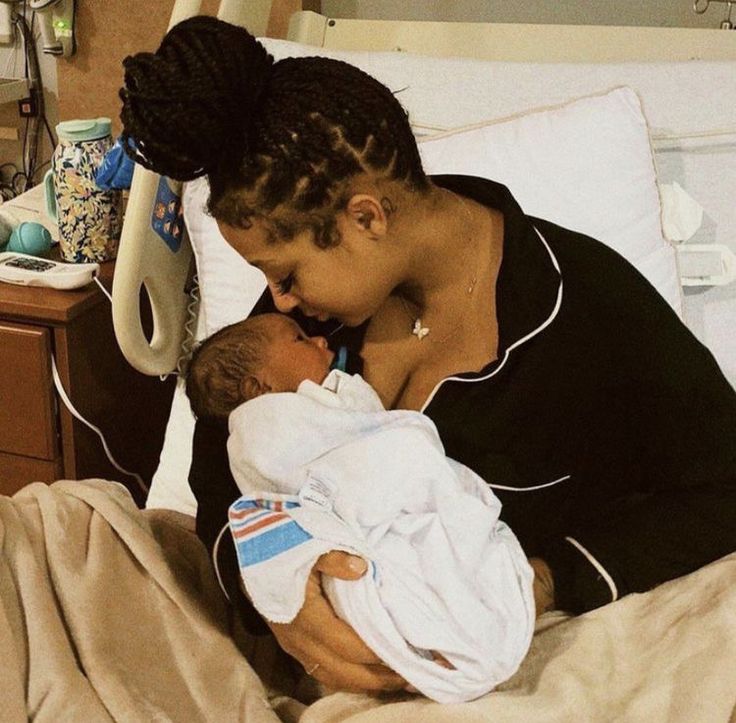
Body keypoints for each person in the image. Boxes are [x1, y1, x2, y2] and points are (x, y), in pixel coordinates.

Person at [120, 16, 736, 694]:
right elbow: (219, 458)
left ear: (365, 219)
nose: (280, 302)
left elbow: (724, 485)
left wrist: (545, 577)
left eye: (287, 274)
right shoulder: (304, 331)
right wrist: (279, 591)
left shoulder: (587, 306)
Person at [184, 312, 536, 702]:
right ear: (258, 387)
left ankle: (463, 636)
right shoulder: (263, 427)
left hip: (388, 507)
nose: (318, 339)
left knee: (441, 546)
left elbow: (363, 430)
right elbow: (297, 475)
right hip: (354, 527)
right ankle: (443, 640)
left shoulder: (317, 393)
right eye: (300, 340)